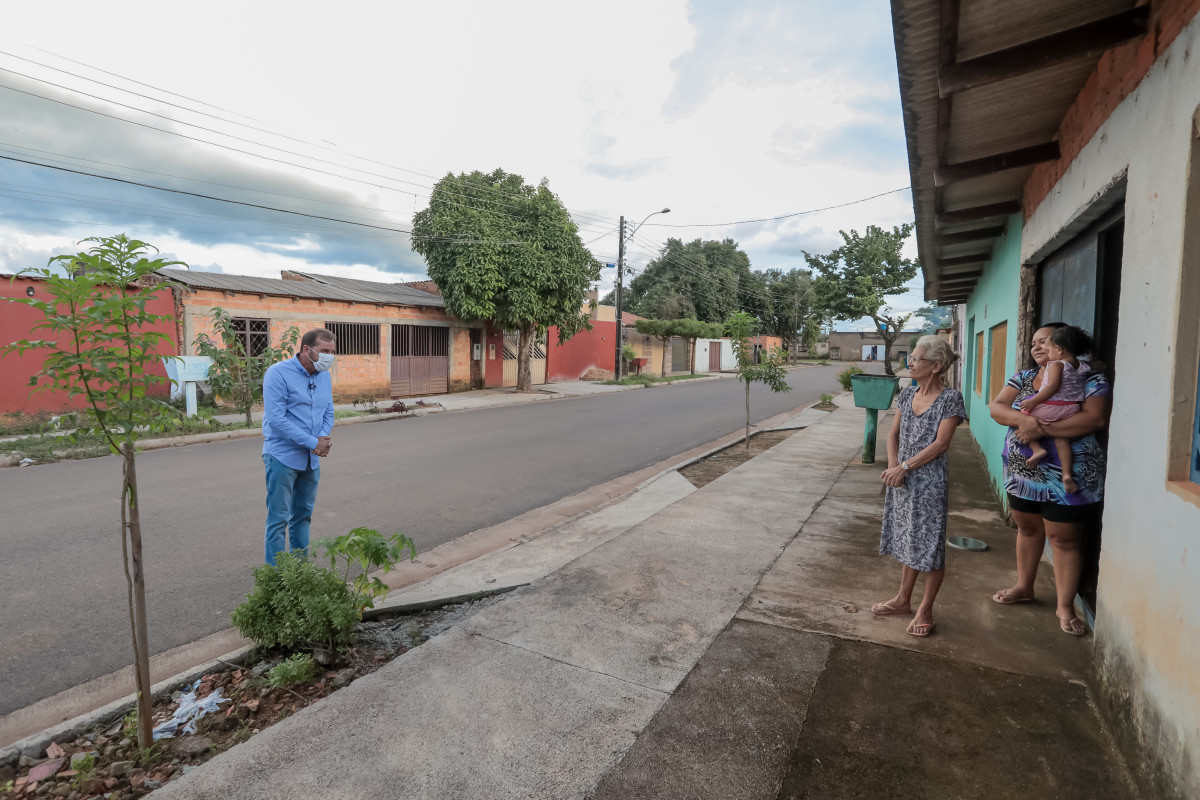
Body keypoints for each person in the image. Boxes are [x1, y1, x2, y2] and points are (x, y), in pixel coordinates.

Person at [988, 323, 1111, 636]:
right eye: (1033, 343)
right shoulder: (1024, 377)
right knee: (1028, 528)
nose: (1036, 347)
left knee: (1063, 537)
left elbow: (1094, 418)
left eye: (1044, 341)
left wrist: (1037, 430)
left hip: (1071, 474)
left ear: (1061, 345)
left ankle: (1065, 605)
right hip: (1023, 468)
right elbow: (998, 408)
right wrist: (1024, 420)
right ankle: (1024, 586)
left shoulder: (1090, 378)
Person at [871, 335, 966, 637]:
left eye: (916, 359)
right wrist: (892, 467)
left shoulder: (950, 399)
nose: (910, 363)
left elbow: (941, 444)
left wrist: (905, 467)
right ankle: (902, 600)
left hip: (929, 483)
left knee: (931, 545)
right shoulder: (906, 393)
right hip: (901, 481)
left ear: (936, 366)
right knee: (908, 539)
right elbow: (892, 435)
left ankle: (926, 609)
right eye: (910, 358)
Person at [261, 328, 337, 565]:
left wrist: (322, 438)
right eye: (324, 351)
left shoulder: (324, 376)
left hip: (311, 459)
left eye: (332, 352)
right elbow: (277, 420)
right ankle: (274, 579)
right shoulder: (278, 374)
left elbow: (328, 410)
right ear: (307, 349)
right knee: (278, 519)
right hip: (282, 457)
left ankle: (299, 571)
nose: (329, 356)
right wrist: (313, 442)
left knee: (303, 516)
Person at [1017, 326, 1094, 493]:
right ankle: (1066, 474)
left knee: (1023, 418)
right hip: (1072, 409)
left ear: (1058, 349)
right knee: (1061, 437)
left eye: (1048, 347)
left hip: (1053, 406)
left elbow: (1052, 387)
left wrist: (1033, 402)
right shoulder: (1082, 366)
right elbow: (1097, 366)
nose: (1045, 351)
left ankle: (1037, 449)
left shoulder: (1055, 365)